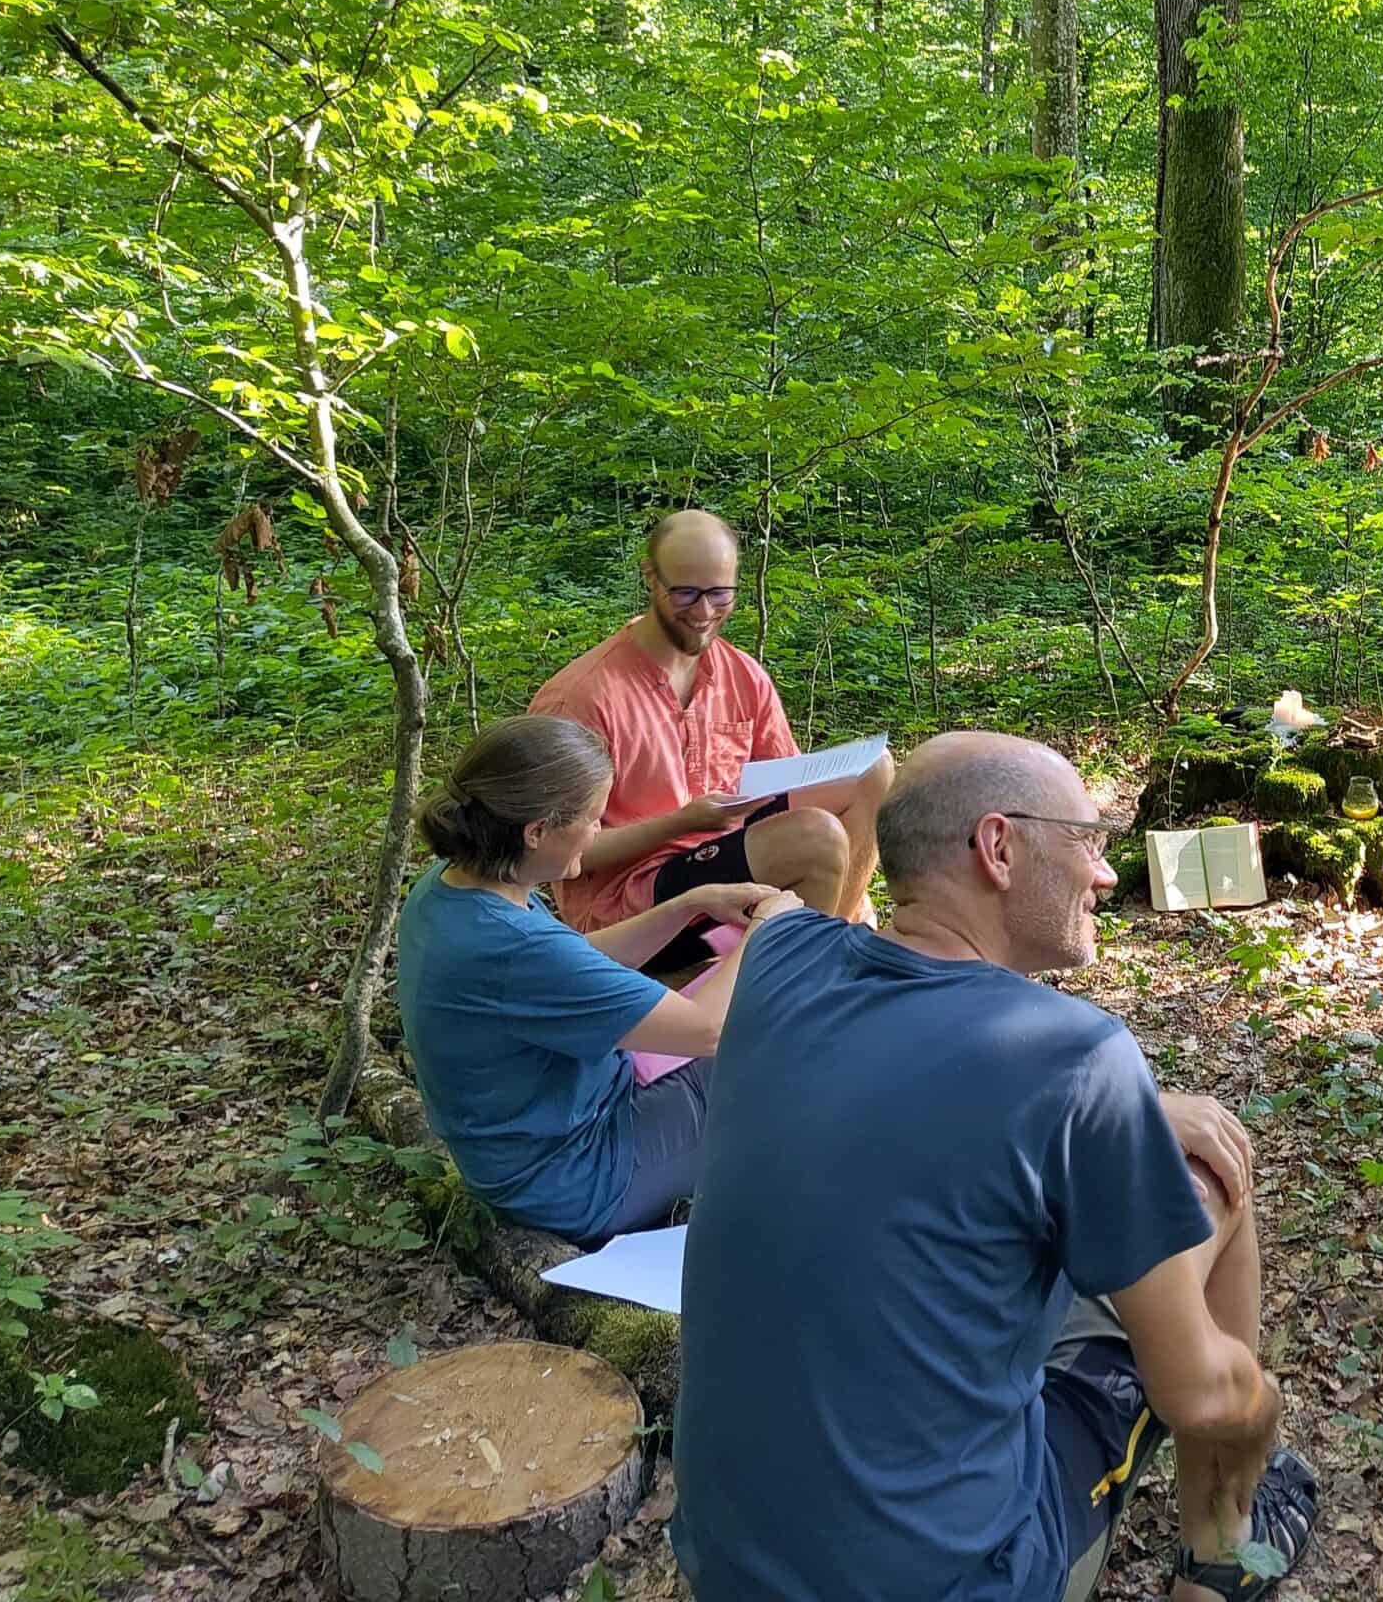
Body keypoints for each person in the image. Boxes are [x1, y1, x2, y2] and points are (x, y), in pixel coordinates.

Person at [673, 732, 1318, 1602]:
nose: (1105, 875)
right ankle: (1225, 1544)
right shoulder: (1075, 1056)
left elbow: (799, 934)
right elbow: (1200, 1395)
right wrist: (1258, 1411)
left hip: (728, 1564)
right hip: (968, 1577)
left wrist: (1138, 1116)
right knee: (1214, 1187)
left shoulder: (781, 965)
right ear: (999, 847)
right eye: (1088, 840)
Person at [396, 714, 805, 1243]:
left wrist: (689, 905)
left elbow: (575, 961)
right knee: (788, 1052)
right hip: (579, 1177)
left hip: (537, 1148)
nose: (598, 832)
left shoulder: (458, 886)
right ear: (537, 830)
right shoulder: (507, 943)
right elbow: (707, 1030)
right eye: (591, 818)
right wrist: (766, 932)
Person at [530, 509, 893, 972]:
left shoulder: (740, 674)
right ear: (650, 577)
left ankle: (834, 944)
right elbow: (554, 851)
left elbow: (784, 780)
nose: (703, 613)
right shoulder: (582, 696)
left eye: (720, 594)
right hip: (632, 897)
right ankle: (807, 984)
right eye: (685, 593)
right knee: (815, 838)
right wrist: (681, 822)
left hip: (722, 849)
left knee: (872, 768)